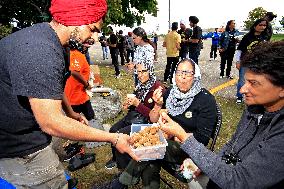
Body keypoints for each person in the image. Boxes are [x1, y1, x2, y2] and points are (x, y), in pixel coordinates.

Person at [0, 0, 138, 188]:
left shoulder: (57, 42)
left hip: (29, 126)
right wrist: (113, 138)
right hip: (17, 145)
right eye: (93, 29)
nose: (95, 38)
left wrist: (71, 113)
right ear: (75, 19)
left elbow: (53, 87)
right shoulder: (41, 51)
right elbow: (51, 122)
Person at [159, 41, 284, 188]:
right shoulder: (254, 110)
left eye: (254, 83)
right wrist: (204, 162)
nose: (243, 89)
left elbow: (239, 181)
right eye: (245, 81)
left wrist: (182, 135)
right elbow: (232, 146)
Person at [94, 58, 218, 189]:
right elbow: (153, 119)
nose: (182, 78)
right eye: (179, 73)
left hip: (187, 148)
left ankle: (119, 184)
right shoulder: (171, 92)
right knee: (150, 155)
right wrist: (158, 105)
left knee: (151, 149)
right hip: (164, 141)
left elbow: (203, 138)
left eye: (187, 73)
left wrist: (175, 134)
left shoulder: (205, 99)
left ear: (195, 76)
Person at [105, 62, 166, 170]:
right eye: (138, 72)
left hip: (147, 122)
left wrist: (137, 104)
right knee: (112, 130)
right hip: (135, 116)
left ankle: (124, 168)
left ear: (150, 71)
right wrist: (129, 105)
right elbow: (136, 104)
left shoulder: (158, 89)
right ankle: (115, 157)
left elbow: (154, 117)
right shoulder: (141, 85)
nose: (140, 75)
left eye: (143, 71)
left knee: (120, 136)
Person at [235, 18, 269, 104]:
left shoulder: (265, 37)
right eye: (260, 25)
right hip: (246, 62)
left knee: (257, 81)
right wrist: (238, 61)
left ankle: (254, 96)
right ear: (255, 26)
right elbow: (240, 50)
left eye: (264, 25)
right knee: (242, 80)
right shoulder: (247, 37)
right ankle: (239, 97)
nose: (262, 27)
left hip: (259, 63)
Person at [64, 44, 95, 121]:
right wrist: (86, 84)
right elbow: (74, 72)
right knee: (90, 119)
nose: (86, 49)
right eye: (86, 47)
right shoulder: (76, 54)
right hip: (76, 95)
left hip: (77, 94)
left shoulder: (70, 54)